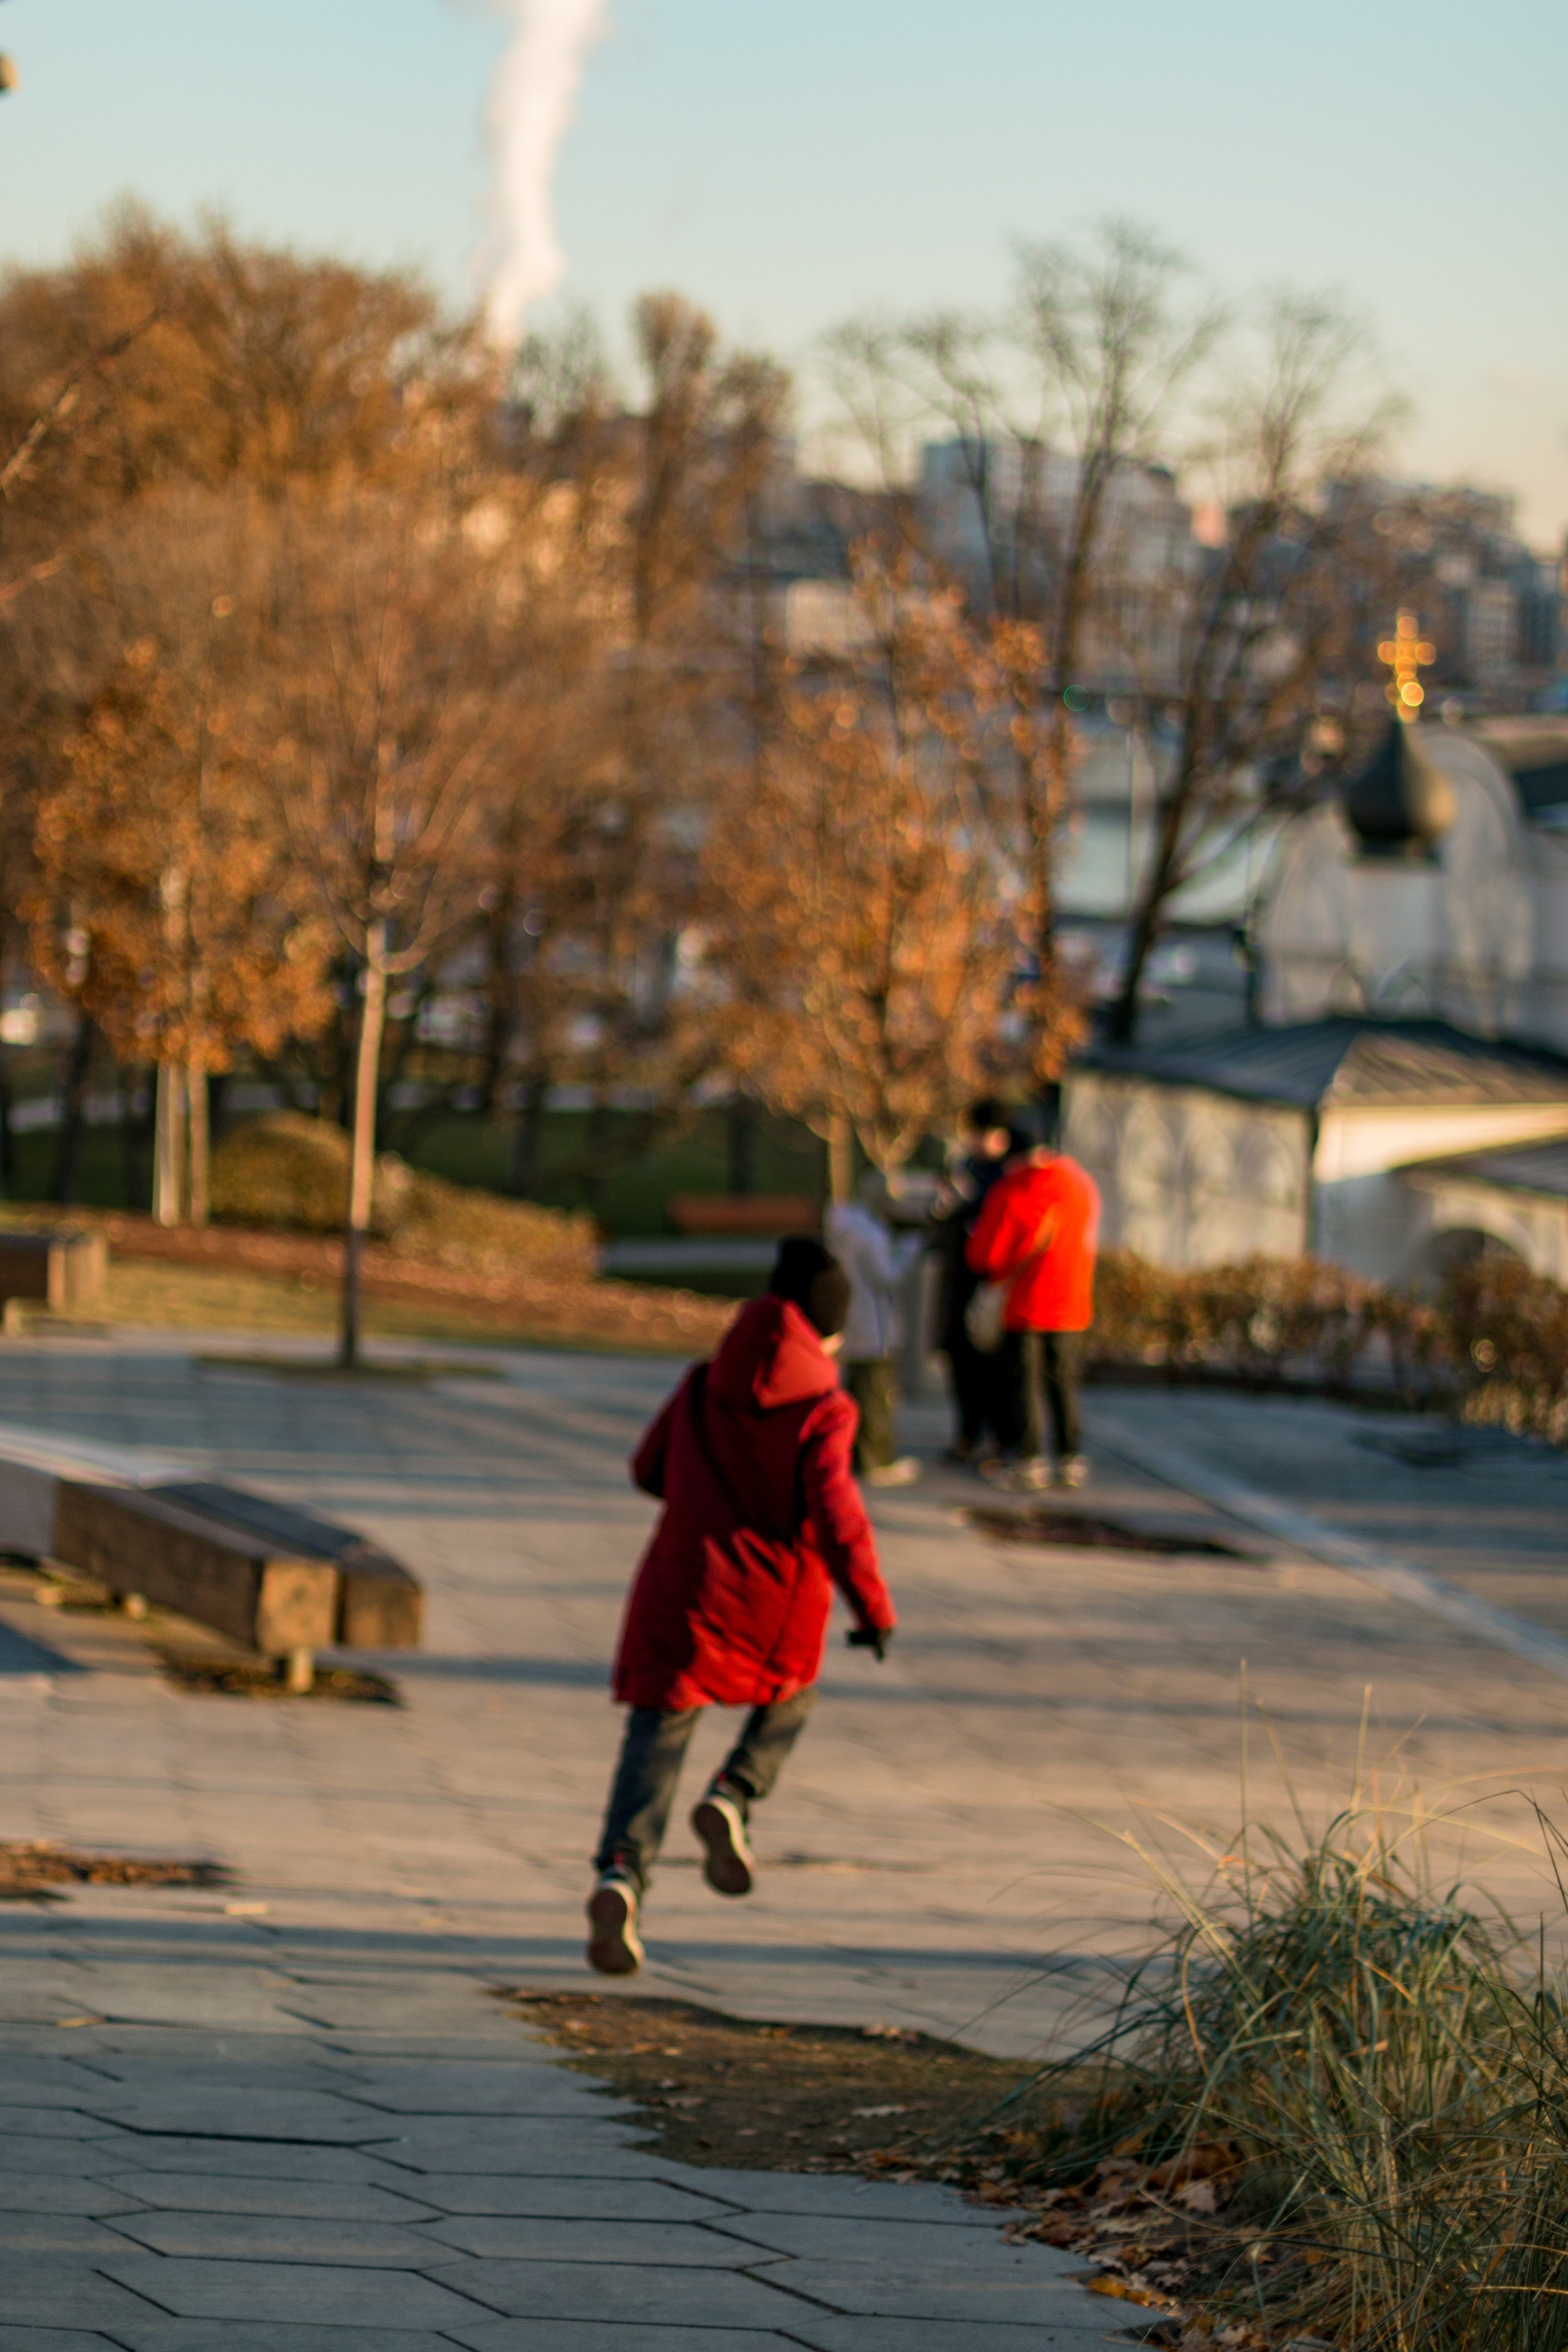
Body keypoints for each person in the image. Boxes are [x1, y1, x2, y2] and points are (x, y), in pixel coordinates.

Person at [587, 1236, 897, 1977]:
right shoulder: (824, 1407)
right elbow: (837, 1514)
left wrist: (703, 1494)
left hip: (680, 1583)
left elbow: (646, 1468)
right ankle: (733, 1791)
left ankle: (620, 1876)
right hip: (771, 1596)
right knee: (794, 1688)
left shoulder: (701, 1382)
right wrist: (872, 1608)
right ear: (829, 1328)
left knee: (657, 1727)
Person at [965, 1137, 1101, 1493]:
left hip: (1025, 1303)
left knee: (1024, 1383)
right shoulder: (1080, 1184)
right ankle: (1070, 1457)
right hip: (1072, 1302)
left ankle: (1030, 1458)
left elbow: (989, 1254)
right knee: (1062, 1381)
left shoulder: (1015, 1189)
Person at [927, 1098, 1016, 1465]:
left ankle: (999, 1437)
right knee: (959, 1356)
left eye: (986, 1134)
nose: (979, 1142)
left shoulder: (1008, 1176)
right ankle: (968, 1433)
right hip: (958, 1274)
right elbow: (943, 1215)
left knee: (993, 1361)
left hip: (990, 1278)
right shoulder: (963, 1170)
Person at [824, 1170, 927, 1487]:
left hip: (852, 1320)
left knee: (856, 1393)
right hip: (874, 1325)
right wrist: (910, 1250)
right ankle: (876, 1460)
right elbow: (887, 1276)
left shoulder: (844, 1226)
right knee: (876, 1396)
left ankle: (854, 1455)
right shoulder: (868, 1233)